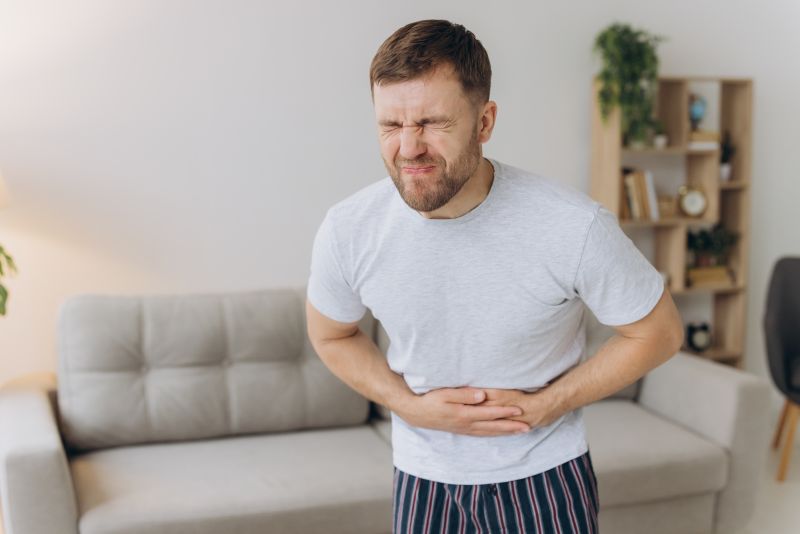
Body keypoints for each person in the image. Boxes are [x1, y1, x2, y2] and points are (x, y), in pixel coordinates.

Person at [305, 19, 684, 534]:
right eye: (391, 125)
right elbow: (330, 334)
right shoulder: (349, 229)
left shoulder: (571, 224)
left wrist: (550, 404)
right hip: (423, 477)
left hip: (546, 474)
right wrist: (409, 407)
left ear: (484, 122)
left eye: (432, 123)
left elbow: (658, 332)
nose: (409, 147)